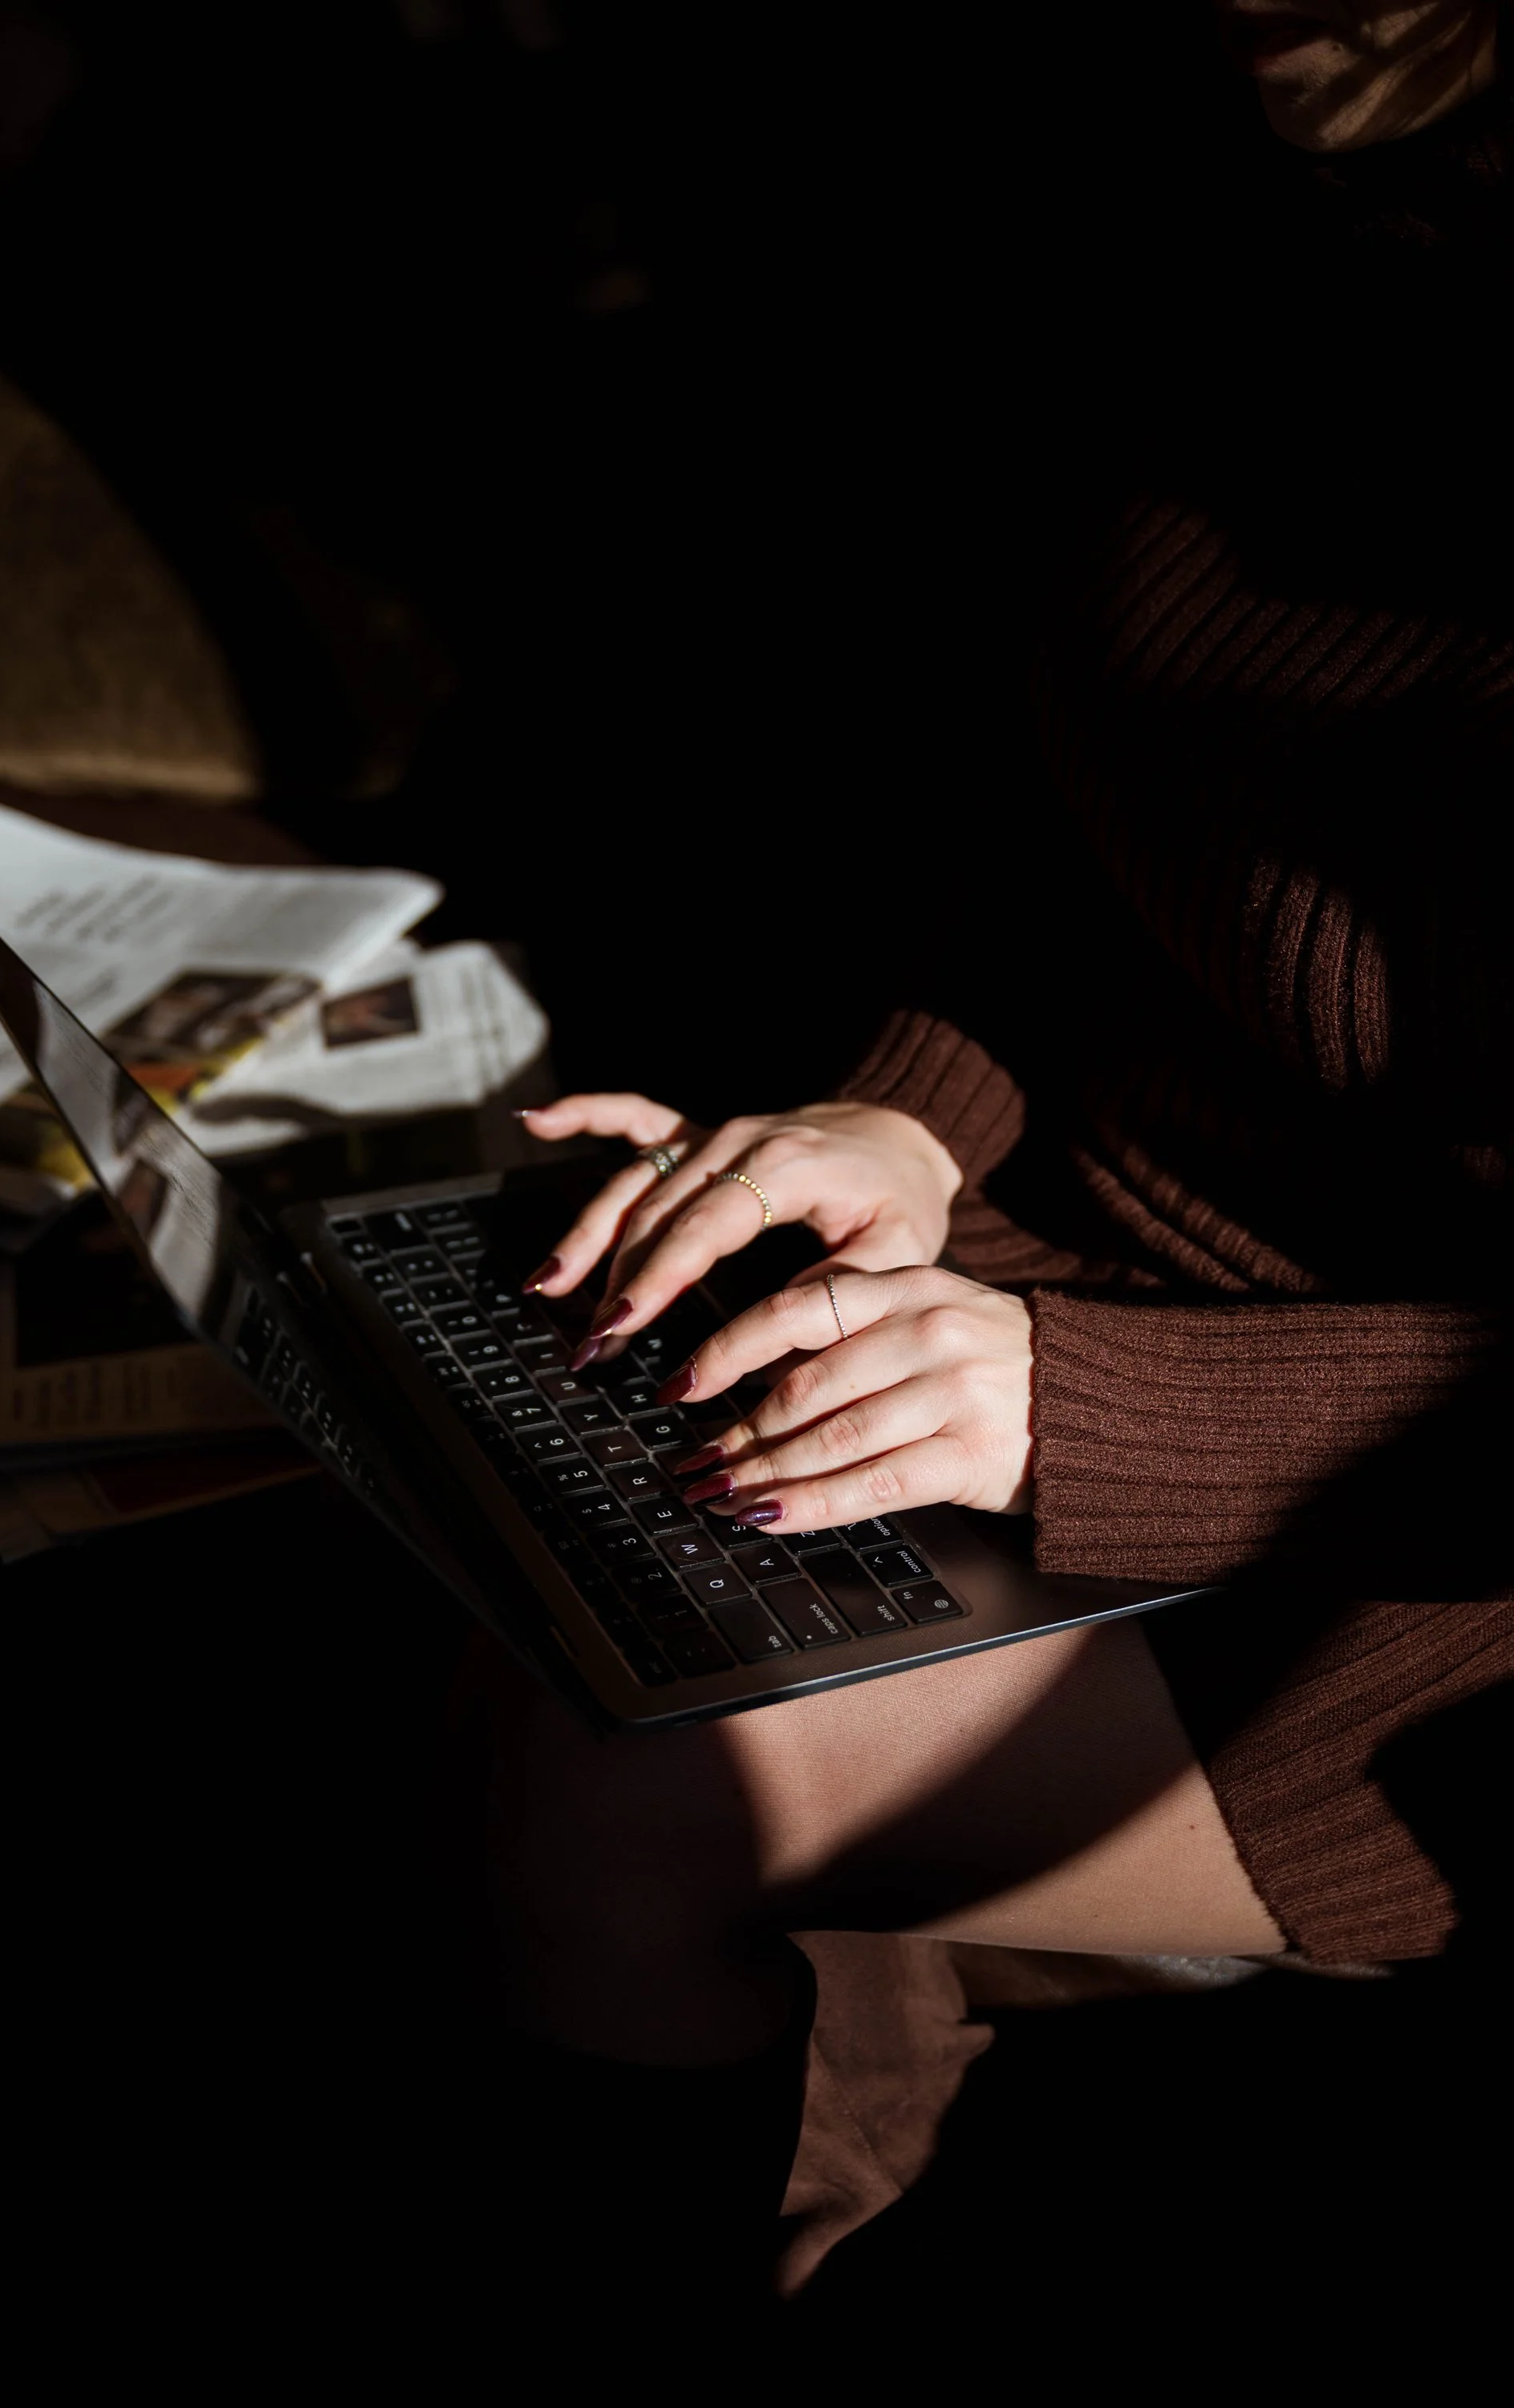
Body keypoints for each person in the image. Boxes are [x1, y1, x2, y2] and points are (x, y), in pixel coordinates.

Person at [450, 0, 1514, 2288]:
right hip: (1065, 1280)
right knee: (473, 1405)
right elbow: (1092, 823)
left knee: (616, 1775)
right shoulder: (1286, 217)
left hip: (1421, 1557)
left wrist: (1077, 1404)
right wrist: (900, 1120)